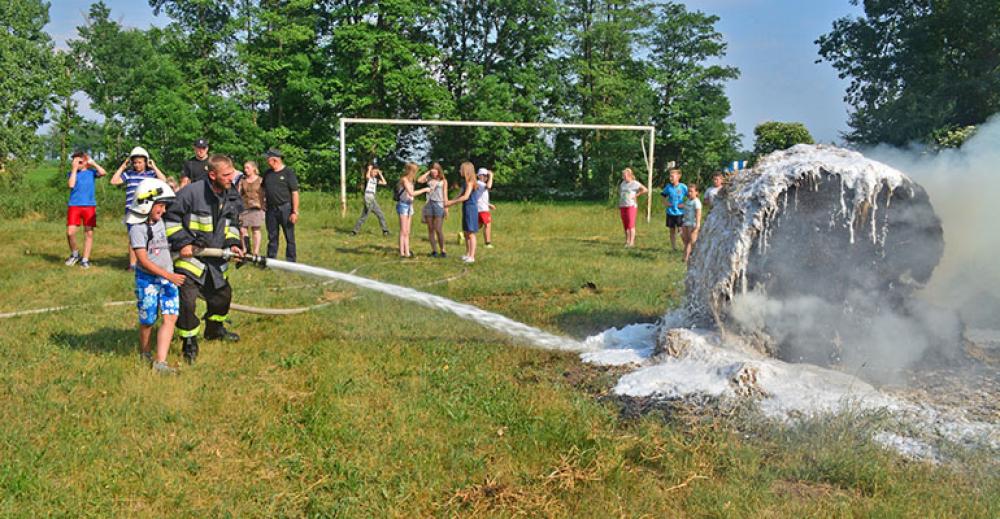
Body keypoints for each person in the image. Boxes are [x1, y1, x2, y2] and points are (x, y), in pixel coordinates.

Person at [164, 154, 245, 364]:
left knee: (222, 297)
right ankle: (189, 341)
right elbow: (170, 219)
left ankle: (214, 329)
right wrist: (183, 243)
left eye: (232, 173)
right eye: (226, 174)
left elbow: (233, 224)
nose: (231, 177)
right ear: (212, 175)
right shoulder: (191, 193)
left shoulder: (231, 194)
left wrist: (234, 244)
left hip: (216, 261)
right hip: (191, 259)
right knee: (187, 302)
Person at [126, 178, 184, 375]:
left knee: (170, 316)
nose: (164, 210)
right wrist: (169, 275)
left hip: (168, 278)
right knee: (148, 320)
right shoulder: (137, 229)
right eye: (160, 206)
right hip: (148, 280)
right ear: (146, 204)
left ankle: (161, 362)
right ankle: (144, 351)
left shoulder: (159, 221)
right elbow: (143, 260)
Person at [111, 146, 166, 270]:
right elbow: (114, 181)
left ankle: (149, 262)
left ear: (146, 162)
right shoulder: (129, 174)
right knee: (134, 238)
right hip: (132, 210)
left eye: (140, 162)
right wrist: (123, 166)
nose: (137, 165)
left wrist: (154, 167)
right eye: (135, 162)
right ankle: (133, 264)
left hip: (146, 209)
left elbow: (163, 180)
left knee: (149, 236)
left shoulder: (151, 174)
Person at [64, 151, 107, 269]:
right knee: (70, 232)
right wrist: (74, 169)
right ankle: (75, 254)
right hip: (74, 205)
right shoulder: (72, 173)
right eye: (76, 161)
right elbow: (71, 185)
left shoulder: (91, 172)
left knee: (89, 233)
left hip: (89, 205)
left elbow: (103, 172)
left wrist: (92, 163)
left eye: (80, 161)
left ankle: (85, 259)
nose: (78, 164)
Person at [262, 149, 300, 262]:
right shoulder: (267, 173)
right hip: (271, 209)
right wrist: (262, 202)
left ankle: (291, 261)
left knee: (289, 236)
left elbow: (295, 193)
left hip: (285, 209)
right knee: (272, 236)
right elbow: (261, 189)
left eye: (267, 159)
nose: (266, 161)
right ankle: (271, 260)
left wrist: (295, 211)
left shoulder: (288, 173)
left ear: (274, 160)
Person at [445, 162, 481, 264]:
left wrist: (451, 203)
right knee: (466, 233)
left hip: (471, 209)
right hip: (466, 208)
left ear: (466, 170)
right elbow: (459, 195)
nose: (459, 171)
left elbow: (465, 197)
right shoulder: (465, 183)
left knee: (471, 233)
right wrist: (449, 202)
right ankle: (467, 253)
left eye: (461, 169)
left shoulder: (470, 182)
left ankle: (472, 256)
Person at [395, 163, 430, 258]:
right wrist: (425, 190)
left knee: (408, 231)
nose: (416, 173)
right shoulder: (404, 180)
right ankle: (402, 252)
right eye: (415, 171)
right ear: (411, 171)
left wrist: (428, 172)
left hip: (410, 205)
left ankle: (407, 251)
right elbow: (411, 193)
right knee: (403, 230)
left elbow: (420, 180)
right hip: (403, 205)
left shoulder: (412, 180)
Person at [418, 162, 448, 257]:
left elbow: (445, 195)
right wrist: (427, 172)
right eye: (432, 170)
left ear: (439, 171)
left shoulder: (443, 181)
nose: (434, 172)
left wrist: (446, 208)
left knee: (438, 229)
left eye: (436, 170)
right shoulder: (429, 179)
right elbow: (419, 180)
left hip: (439, 204)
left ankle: (443, 250)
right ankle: (434, 250)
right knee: (430, 229)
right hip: (429, 204)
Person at [351, 164, 390, 236]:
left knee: (380, 215)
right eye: (374, 172)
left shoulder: (375, 180)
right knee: (364, 216)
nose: (375, 174)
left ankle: (385, 231)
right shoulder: (369, 179)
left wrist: (380, 174)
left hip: (373, 198)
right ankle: (354, 231)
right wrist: (369, 169)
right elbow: (367, 176)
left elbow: (385, 183)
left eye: (376, 173)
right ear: (371, 171)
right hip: (368, 198)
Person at [238, 161, 266, 256]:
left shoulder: (261, 180)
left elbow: (266, 193)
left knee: (255, 230)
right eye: (245, 168)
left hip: (257, 207)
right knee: (242, 230)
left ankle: (256, 252)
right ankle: (246, 249)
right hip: (244, 207)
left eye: (247, 168)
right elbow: (239, 193)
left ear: (254, 168)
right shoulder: (242, 181)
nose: (245, 170)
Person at [618, 167, 648, 248]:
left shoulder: (635, 183)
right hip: (623, 205)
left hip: (631, 205)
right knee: (625, 225)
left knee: (631, 224)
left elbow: (645, 189)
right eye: (623, 175)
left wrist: (636, 195)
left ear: (629, 175)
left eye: (624, 175)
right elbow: (621, 193)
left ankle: (632, 242)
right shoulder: (623, 183)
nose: (623, 177)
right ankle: (627, 241)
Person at [660, 168, 688, 251]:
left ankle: (686, 246)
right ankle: (673, 247)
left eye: (672, 176)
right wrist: (665, 203)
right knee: (672, 230)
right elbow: (663, 195)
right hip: (670, 212)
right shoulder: (668, 187)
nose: (670, 178)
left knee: (681, 230)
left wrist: (685, 204)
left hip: (680, 212)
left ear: (679, 176)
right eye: (670, 176)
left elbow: (690, 196)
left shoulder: (683, 187)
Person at [681, 183, 703, 264]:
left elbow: (698, 213)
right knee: (686, 240)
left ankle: (687, 258)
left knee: (692, 241)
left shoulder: (697, 202)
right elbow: (685, 211)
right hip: (686, 222)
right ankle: (686, 256)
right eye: (688, 191)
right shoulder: (687, 201)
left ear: (696, 192)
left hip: (693, 223)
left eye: (691, 191)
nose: (689, 193)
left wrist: (697, 225)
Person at [475, 168, 497, 248]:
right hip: (482, 209)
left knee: (478, 226)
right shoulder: (480, 183)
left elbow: (480, 198)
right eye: (485, 176)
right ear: (479, 176)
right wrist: (491, 176)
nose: (486, 178)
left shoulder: (480, 184)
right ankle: (487, 243)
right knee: (487, 225)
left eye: (487, 176)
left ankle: (464, 235)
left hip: (481, 208)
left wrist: (488, 204)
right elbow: (489, 186)